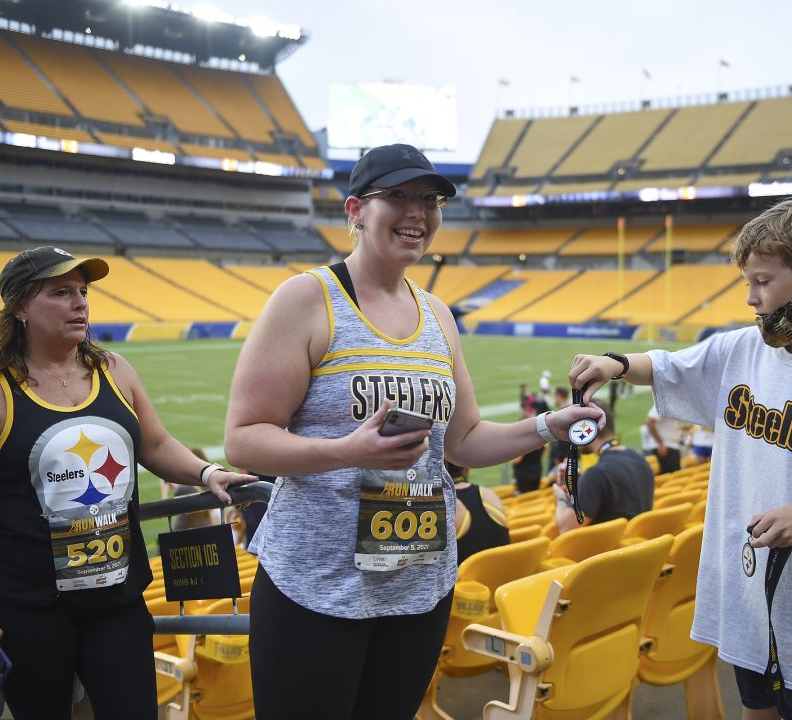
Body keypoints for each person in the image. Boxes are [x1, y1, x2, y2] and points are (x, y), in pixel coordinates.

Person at [223, 143, 602, 720]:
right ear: (355, 209)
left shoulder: (438, 315)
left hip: (419, 583)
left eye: (430, 200)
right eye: (396, 196)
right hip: (315, 584)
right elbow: (245, 439)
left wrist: (549, 425)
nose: (417, 213)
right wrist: (349, 450)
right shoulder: (307, 299)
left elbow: (464, 439)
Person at [569, 197, 792, 720]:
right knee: (755, 711)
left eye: (762, 282)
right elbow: (670, 365)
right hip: (745, 601)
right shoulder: (742, 350)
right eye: (748, 283)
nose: (751, 298)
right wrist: (616, 363)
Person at [0, 246, 255, 720]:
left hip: (117, 597)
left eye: (83, 292)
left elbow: (154, 444)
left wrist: (206, 472)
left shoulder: (114, 371)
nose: (80, 303)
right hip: (28, 606)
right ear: (20, 308)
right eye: (61, 292)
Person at [555, 400, 655, 534]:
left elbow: (566, 527)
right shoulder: (641, 460)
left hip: (610, 552)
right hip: (637, 547)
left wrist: (560, 498)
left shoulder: (596, 474)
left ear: (586, 429)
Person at [447, 461, 511, 564]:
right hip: (507, 576)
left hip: (464, 578)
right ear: (467, 468)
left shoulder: (444, 506)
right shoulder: (490, 495)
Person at [641, 402, 685, 475]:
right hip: (666, 447)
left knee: (675, 475)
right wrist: (660, 444)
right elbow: (650, 422)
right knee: (670, 477)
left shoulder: (671, 404)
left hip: (671, 446)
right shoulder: (664, 403)